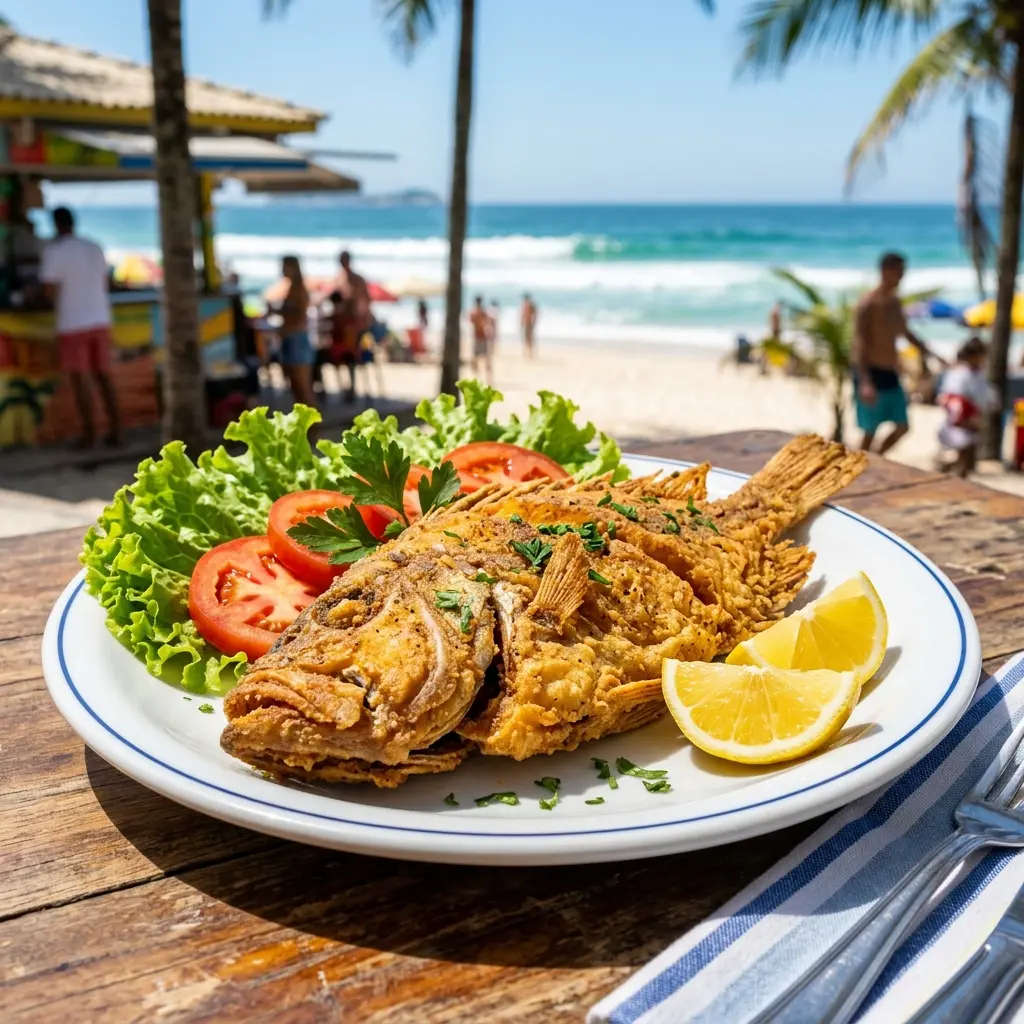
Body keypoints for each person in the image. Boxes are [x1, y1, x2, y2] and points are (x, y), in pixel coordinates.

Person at [40, 206, 121, 447]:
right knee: (104, 377)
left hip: (73, 322)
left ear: (56, 224)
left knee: (80, 380)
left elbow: (49, 290)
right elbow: (106, 281)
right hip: (100, 319)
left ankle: (89, 434)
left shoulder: (55, 251)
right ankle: (116, 431)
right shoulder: (94, 247)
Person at [852, 251, 944, 455]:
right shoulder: (867, 303)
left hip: (890, 372)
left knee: (902, 426)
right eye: (899, 272)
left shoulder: (894, 302)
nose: (901, 276)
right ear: (885, 271)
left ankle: (875, 459)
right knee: (869, 431)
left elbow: (905, 332)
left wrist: (931, 353)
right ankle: (859, 470)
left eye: (903, 272)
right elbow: (858, 342)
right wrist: (864, 380)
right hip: (871, 372)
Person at [937, 336, 998, 478]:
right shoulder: (959, 373)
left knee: (968, 461)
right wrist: (966, 418)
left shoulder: (978, 374)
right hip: (960, 421)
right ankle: (946, 475)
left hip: (973, 419)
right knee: (964, 456)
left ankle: (948, 475)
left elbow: (986, 396)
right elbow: (951, 399)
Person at [276, 255, 317, 409]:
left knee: (303, 388)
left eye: (285, 266)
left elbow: (300, 319)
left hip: (297, 340)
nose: (282, 270)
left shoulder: (300, 290)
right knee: (295, 388)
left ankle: (313, 428)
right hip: (289, 339)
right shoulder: (290, 288)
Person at [469, 294, 492, 384]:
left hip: (478, 336)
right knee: (483, 357)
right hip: (480, 336)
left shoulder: (475, 312)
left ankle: (480, 377)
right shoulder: (480, 312)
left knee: (478, 357)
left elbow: (475, 323)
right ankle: (485, 378)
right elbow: (486, 323)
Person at [521, 292, 537, 358]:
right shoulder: (525, 304)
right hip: (527, 323)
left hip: (529, 324)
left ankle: (530, 353)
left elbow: (535, 314)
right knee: (526, 339)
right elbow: (523, 315)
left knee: (529, 339)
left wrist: (533, 322)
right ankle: (527, 353)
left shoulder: (530, 305)